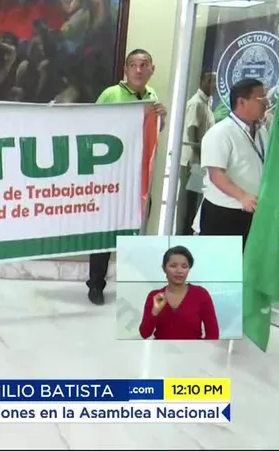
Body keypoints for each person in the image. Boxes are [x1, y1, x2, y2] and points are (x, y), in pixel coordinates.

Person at [88, 49, 166, 306]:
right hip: (112, 176)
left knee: (136, 229)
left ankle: (132, 284)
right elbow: (92, 128)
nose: (139, 70)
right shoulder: (112, 94)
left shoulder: (152, 97)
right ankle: (96, 284)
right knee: (105, 232)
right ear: (126, 69)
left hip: (140, 177)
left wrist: (160, 120)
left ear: (151, 69)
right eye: (133, 65)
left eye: (144, 65)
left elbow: (151, 135)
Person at [198, 78, 279, 248]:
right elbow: (216, 175)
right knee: (220, 270)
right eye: (261, 99)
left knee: (244, 268)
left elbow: (265, 163)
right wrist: (242, 196)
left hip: (252, 211)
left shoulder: (261, 131)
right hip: (225, 213)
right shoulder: (220, 133)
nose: (267, 103)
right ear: (241, 102)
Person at [138, 245, 219, 340]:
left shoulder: (201, 294)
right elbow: (144, 334)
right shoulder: (156, 296)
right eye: (173, 266)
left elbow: (213, 334)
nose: (179, 271)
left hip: (193, 352)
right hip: (161, 352)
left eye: (184, 266)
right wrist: (155, 312)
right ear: (164, 268)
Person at [178, 72, 216, 235]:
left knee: (196, 201)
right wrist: (199, 156)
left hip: (200, 160)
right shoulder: (196, 103)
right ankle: (183, 235)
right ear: (201, 82)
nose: (212, 84)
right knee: (190, 202)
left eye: (214, 81)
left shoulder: (207, 103)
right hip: (193, 161)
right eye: (209, 80)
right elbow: (191, 129)